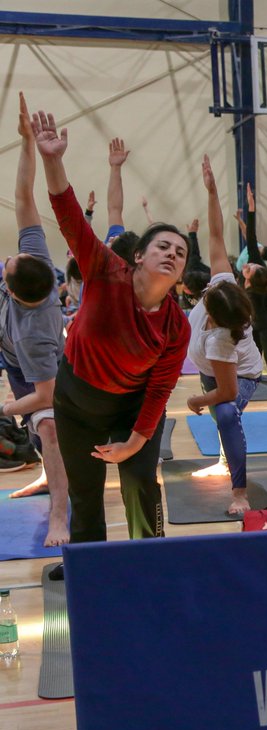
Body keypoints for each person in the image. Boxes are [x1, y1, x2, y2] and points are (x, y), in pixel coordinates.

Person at [32, 106, 189, 577]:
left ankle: (150, 564)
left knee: (141, 482)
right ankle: (89, 566)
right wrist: (52, 160)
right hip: (77, 401)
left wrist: (134, 441)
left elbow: (160, 390)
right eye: (164, 246)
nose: (172, 254)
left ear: (181, 273)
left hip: (132, 408)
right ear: (139, 255)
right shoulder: (104, 269)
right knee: (85, 489)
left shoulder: (176, 326)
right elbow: (67, 215)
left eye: (180, 253)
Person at [1, 93, 68, 546]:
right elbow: (23, 196)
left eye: (7, 262)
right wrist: (26, 141)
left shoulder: (36, 333)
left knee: (48, 430)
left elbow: (43, 392)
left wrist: (6, 408)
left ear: (12, 289)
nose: (9, 255)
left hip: (38, 372)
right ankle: (45, 477)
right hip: (11, 356)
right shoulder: (37, 264)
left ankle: (61, 512)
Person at [185, 156, 263, 516]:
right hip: (212, 370)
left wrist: (197, 402)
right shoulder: (224, 283)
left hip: (241, 376)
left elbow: (228, 390)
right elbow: (216, 234)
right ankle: (221, 458)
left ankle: (240, 492)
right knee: (220, 415)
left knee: (227, 413)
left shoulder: (221, 340)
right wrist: (213, 191)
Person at [238, 183, 267, 384]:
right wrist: (251, 207)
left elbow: (262, 313)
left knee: (265, 338)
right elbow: (251, 234)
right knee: (253, 343)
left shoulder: (259, 284)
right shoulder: (250, 269)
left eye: (249, 268)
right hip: (255, 312)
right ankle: (255, 375)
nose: (246, 265)